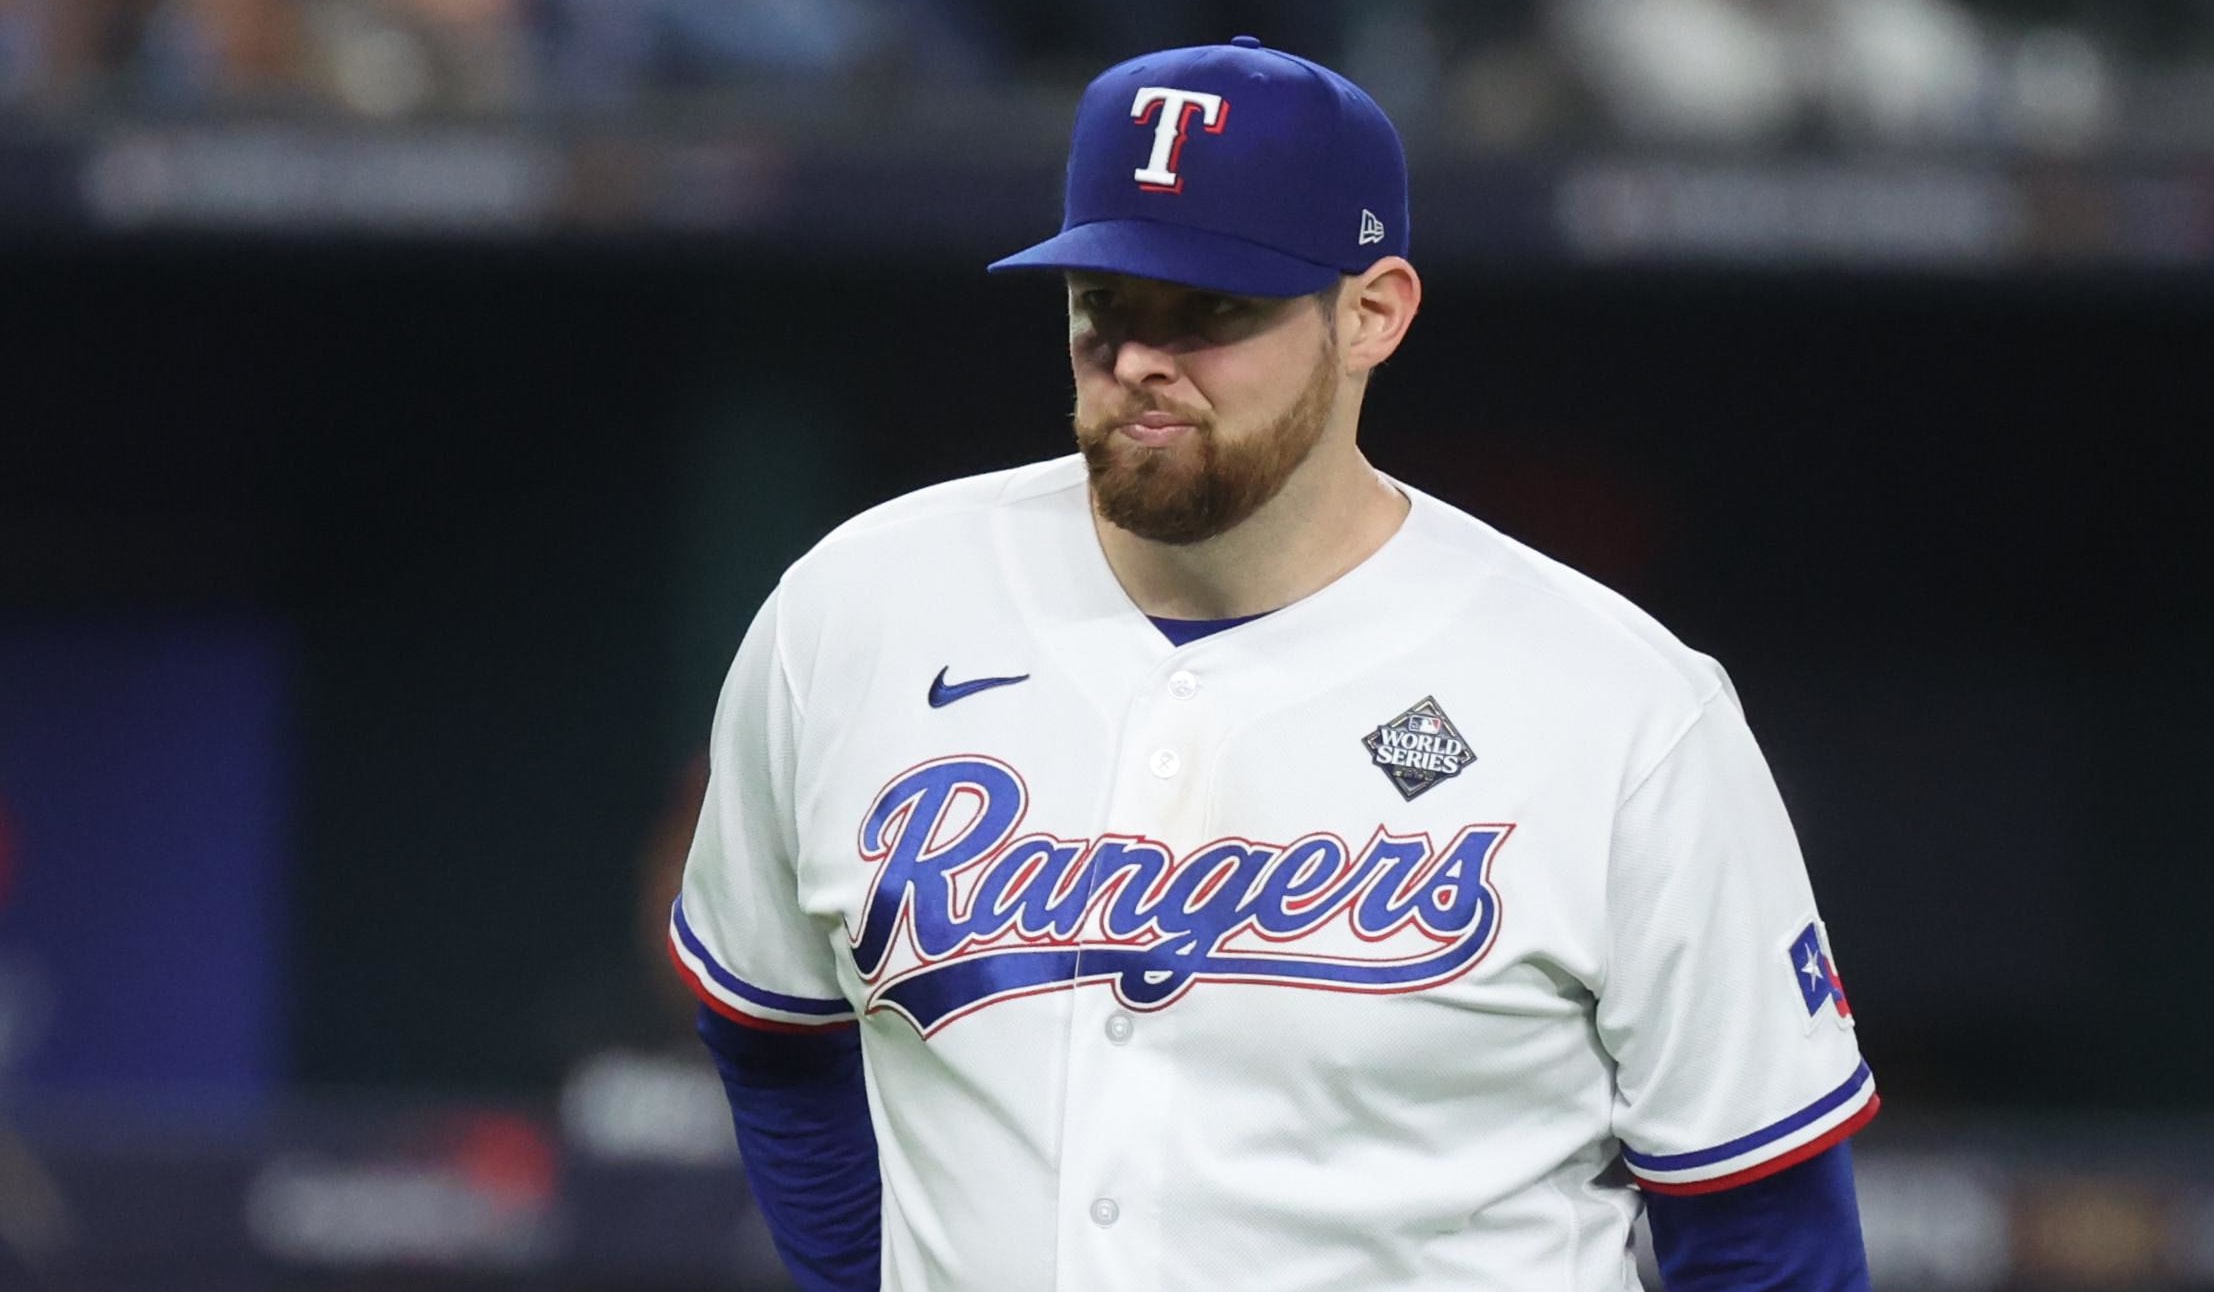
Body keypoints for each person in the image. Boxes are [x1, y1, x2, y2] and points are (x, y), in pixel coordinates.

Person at [671, 36, 1876, 1291]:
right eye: (1105, 304)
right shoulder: (856, 609)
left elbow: (1764, 1229)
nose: (1142, 355)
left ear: (1372, 313)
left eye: (1209, 311)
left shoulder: (1622, 707)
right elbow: (770, 1036)